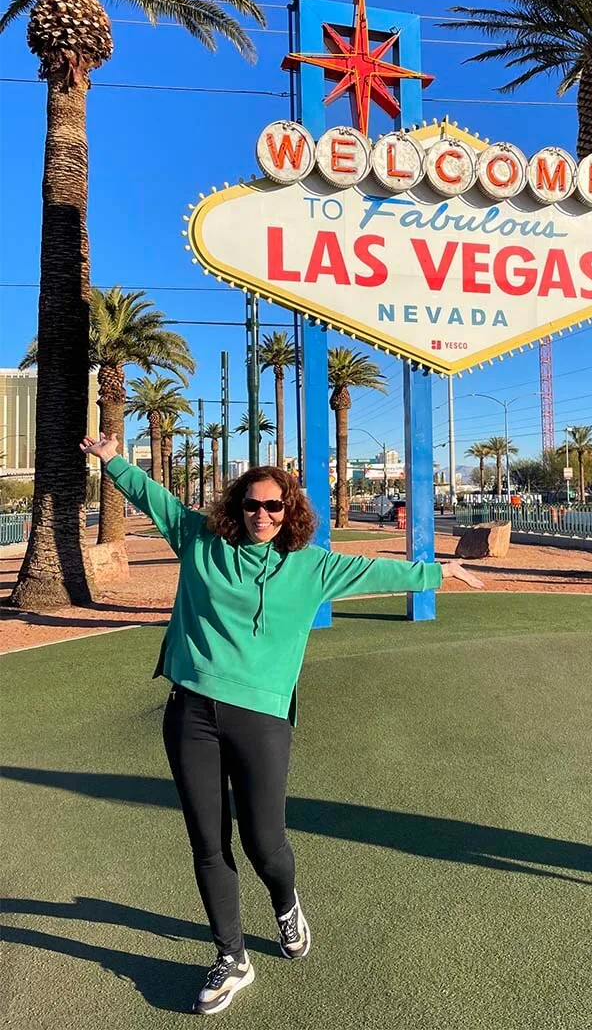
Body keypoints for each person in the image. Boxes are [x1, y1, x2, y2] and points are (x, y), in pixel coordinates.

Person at [80, 433, 483, 1016]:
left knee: (264, 843)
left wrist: (441, 573)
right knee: (208, 843)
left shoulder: (310, 566)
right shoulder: (200, 542)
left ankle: (286, 904)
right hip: (190, 711)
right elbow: (154, 497)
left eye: (274, 506)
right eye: (251, 505)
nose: (262, 516)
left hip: (262, 717)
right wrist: (113, 458)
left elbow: (376, 573)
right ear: (235, 508)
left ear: (290, 511)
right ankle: (231, 955)